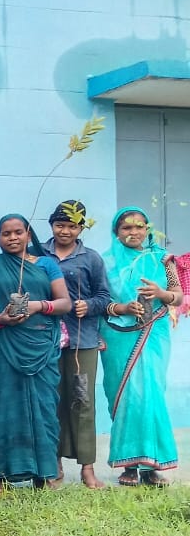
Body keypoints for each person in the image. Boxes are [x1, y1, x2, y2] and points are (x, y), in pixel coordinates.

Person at [0, 214, 70, 490]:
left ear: (28, 235)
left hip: (41, 348)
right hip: (2, 347)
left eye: (18, 232)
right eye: (6, 233)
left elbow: (64, 303)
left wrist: (38, 305)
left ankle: (43, 472)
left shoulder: (46, 265)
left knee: (44, 408)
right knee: (1, 406)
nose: (12, 237)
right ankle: (1, 474)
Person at [99, 206, 184, 486]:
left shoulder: (162, 258)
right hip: (118, 337)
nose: (133, 232)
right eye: (126, 227)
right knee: (125, 397)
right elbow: (100, 302)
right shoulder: (105, 262)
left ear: (148, 229)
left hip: (154, 335)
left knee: (150, 393)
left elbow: (179, 296)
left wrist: (161, 293)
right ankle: (128, 466)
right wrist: (122, 307)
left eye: (139, 226)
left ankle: (151, 466)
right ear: (116, 232)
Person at [46, 201, 111, 489]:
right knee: (52, 400)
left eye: (72, 226)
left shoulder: (91, 258)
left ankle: (87, 468)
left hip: (81, 341)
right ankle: (54, 463)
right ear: (51, 225)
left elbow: (104, 297)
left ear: (81, 228)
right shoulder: (39, 254)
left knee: (83, 400)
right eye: (60, 225)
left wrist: (90, 305)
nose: (65, 231)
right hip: (46, 341)